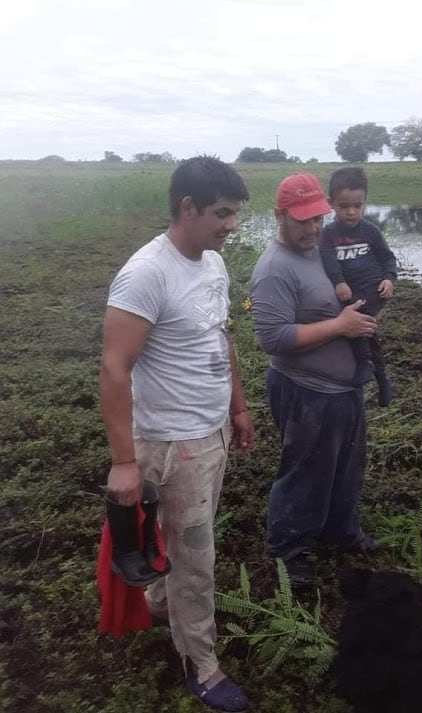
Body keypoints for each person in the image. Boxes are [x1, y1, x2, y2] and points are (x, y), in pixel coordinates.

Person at [99, 156, 253, 713]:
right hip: (170, 440)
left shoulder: (212, 264)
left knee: (194, 540)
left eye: (233, 214)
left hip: (209, 431)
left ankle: (163, 599)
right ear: (187, 208)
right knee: (196, 559)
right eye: (222, 213)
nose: (230, 225)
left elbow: (220, 336)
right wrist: (123, 463)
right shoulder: (147, 273)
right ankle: (201, 665)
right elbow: (115, 367)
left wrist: (237, 406)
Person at [249, 173, 379, 587]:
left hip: (344, 390)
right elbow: (273, 339)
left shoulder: (323, 250)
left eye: (318, 218)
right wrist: (340, 327)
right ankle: (289, 550)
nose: (313, 228)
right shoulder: (274, 268)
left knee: (346, 467)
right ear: (279, 215)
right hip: (305, 391)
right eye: (302, 220)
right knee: (306, 472)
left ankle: (341, 531)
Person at [319, 167, 397, 407]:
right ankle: (382, 378)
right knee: (369, 333)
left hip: (373, 292)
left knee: (359, 324)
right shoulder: (328, 234)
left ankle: (365, 364)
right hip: (350, 293)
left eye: (357, 205)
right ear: (331, 203)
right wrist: (339, 282)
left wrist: (389, 279)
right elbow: (328, 261)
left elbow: (387, 258)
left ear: (364, 203)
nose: (351, 212)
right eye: (344, 206)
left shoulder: (370, 230)